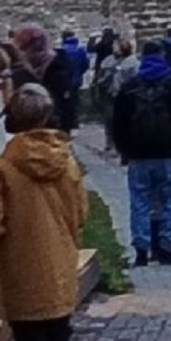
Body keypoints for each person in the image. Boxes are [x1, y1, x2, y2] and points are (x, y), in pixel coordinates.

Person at [0, 84, 88, 341]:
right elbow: (81, 212)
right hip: (60, 271)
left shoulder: (5, 169)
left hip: (20, 274)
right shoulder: (67, 162)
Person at [112, 40, 171, 266]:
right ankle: (168, 246)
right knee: (170, 200)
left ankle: (142, 248)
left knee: (140, 201)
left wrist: (124, 150)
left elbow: (118, 123)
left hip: (139, 155)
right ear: (163, 56)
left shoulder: (130, 87)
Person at [9, 25, 75, 133]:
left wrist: (70, 124)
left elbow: (65, 96)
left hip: (52, 126)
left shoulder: (58, 64)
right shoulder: (19, 68)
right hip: (26, 128)